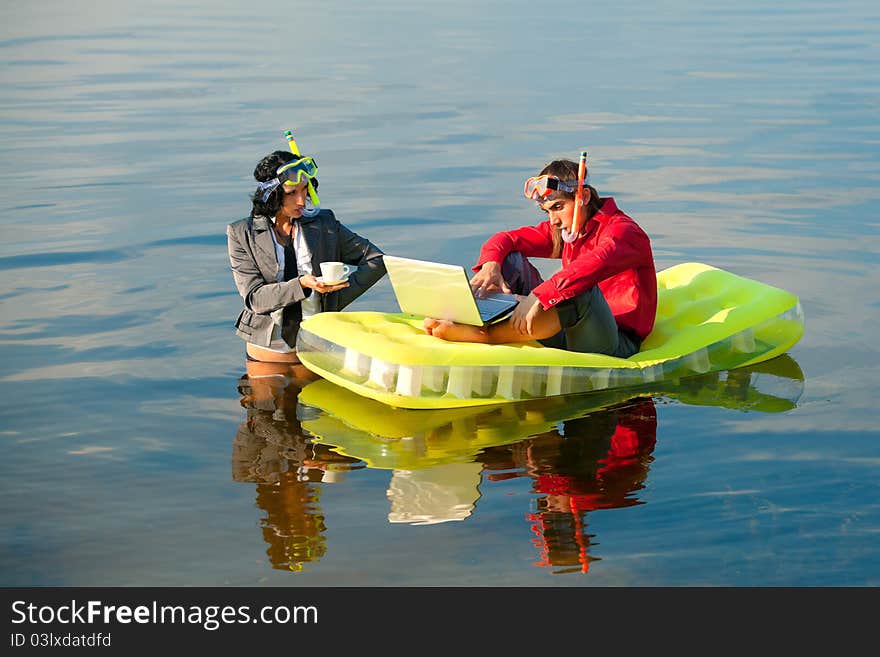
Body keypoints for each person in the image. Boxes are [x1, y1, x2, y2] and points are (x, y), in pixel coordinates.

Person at [424, 156, 656, 358]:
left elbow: (590, 266)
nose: (553, 220)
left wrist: (539, 295)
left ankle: (485, 336)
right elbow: (505, 239)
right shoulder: (567, 230)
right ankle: (471, 318)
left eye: (558, 207)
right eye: (547, 212)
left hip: (613, 340)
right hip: (565, 331)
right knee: (510, 259)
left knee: (579, 287)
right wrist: (490, 266)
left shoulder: (625, 232)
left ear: (583, 197)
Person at [227, 147, 386, 366]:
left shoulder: (324, 225)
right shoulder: (241, 233)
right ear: (272, 194)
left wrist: (333, 300)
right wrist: (301, 285)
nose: (301, 201)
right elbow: (255, 299)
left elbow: (376, 260)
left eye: (304, 190)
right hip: (265, 355)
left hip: (316, 350)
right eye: (292, 193)